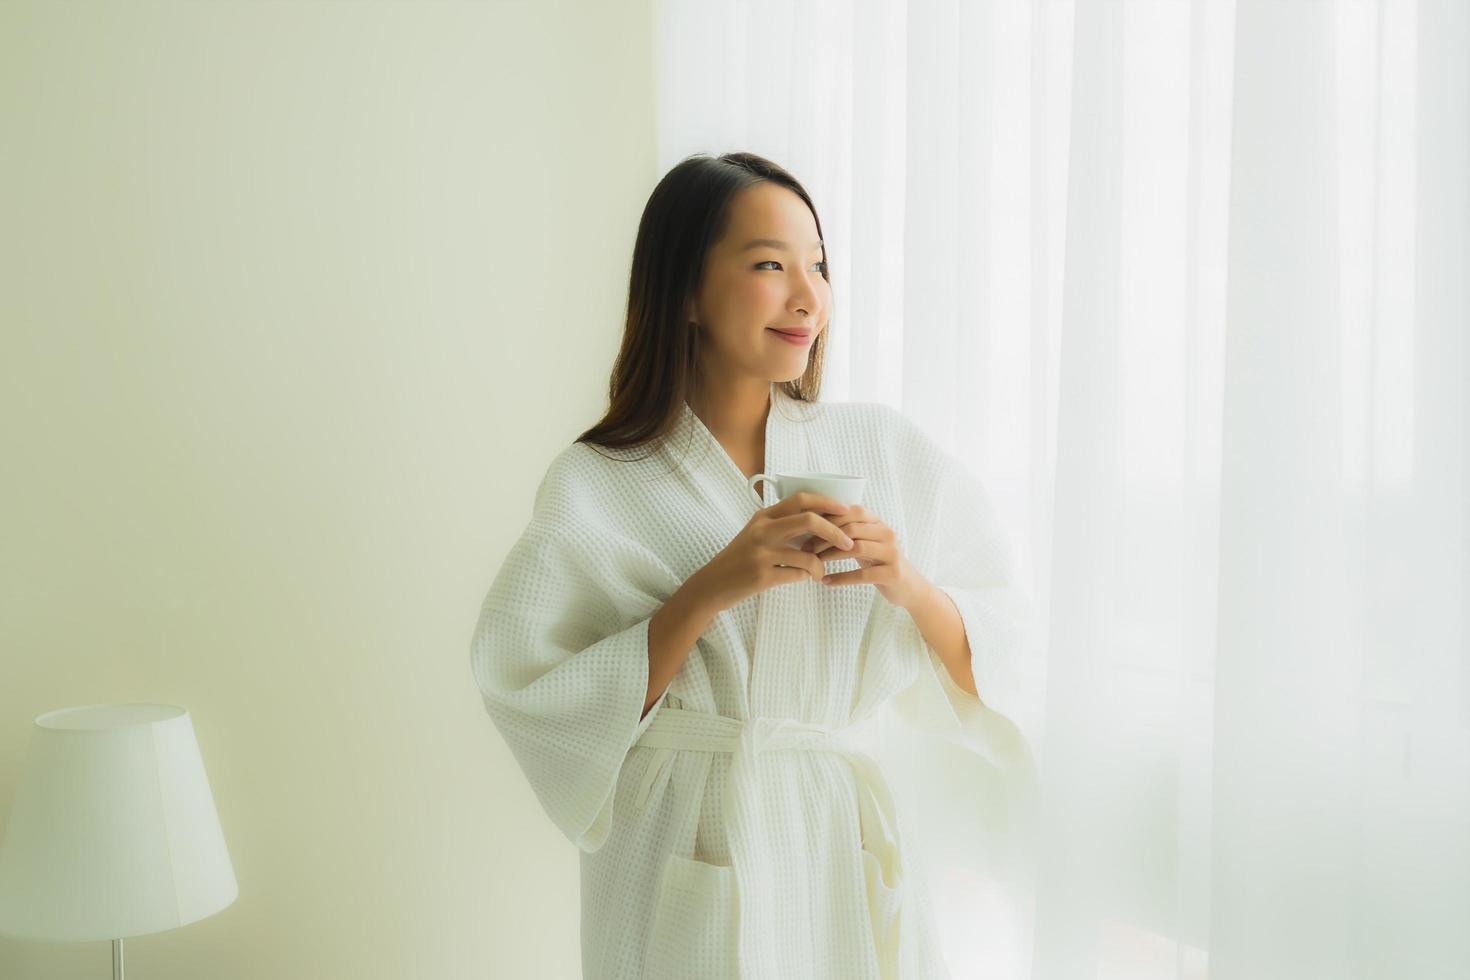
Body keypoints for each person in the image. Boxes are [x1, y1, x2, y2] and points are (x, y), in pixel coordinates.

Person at [470, 151, 1036, 980]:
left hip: (838, 831)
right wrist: (712, 587)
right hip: (686, 831)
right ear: (687, 291)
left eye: (818, 266)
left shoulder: (880, 447)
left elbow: (1003, 645)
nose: (808, 297)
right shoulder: (600, 481)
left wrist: (906, 583)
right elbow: (537, 691)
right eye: (770, 265)